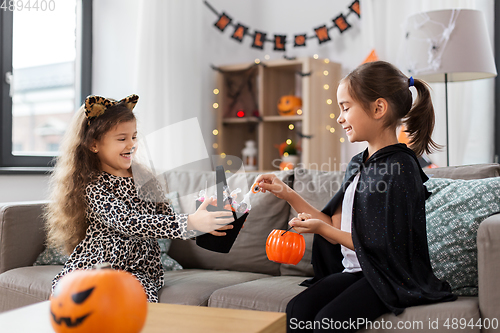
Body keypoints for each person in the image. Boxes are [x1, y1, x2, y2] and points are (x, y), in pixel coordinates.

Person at [256, 61, 457, 332]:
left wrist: (320, 228)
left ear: (378, 108)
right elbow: (334, 225)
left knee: (329, 320)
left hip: (388, 277)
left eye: (345, 107)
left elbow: (384, 247)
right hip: (357, 272)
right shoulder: (358, 164)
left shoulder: (401, 168)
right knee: (297, 309)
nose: (339, 118)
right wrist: (286, 192)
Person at [45, 94, 233, 302]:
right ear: (94, 144)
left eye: (134, 137)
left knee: (130, 305)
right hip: (96, 264)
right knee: (73, 298)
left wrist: (202, 222)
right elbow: (127, 221)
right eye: (122, 139)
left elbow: (166, 218)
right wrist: (188, 222)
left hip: (139, 269)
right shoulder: (92, 184)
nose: (131, 144)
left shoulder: (144, 178)